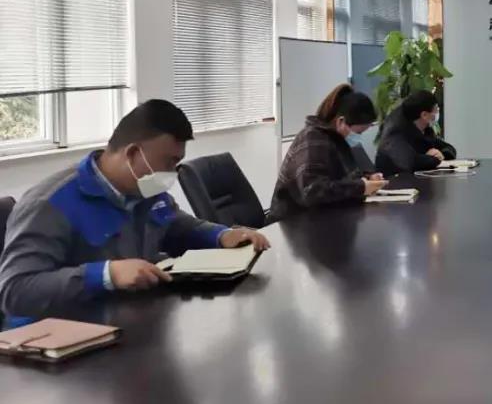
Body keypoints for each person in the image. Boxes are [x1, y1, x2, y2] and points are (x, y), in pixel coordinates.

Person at [0, 100, 270, 323]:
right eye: (169, 162)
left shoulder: (144, 190)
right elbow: (14, 290)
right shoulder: (50, 204)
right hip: (56, 347)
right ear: (132, 154)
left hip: (129, 324)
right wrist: (106, 275)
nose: (172, 173)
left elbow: (175, 225)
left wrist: (221, 235)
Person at [268, 84, 388, 221]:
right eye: (358, 132)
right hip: (292, 222)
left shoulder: (336, 139)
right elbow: (312, 191)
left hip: (320, 216)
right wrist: (361, 187)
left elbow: (339, 178)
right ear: (341, 122)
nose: (359, 137)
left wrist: (368, 179)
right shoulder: (313, 139)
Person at [375, 90, 456, 176]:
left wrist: (441, 154)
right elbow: (411, 162)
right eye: (435, 110)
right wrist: (433, 158)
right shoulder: (397, 134)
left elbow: (449, 149)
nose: (437, 113)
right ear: (424, 115)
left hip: (420, 179)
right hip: (395, 181)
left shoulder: (426, 130)